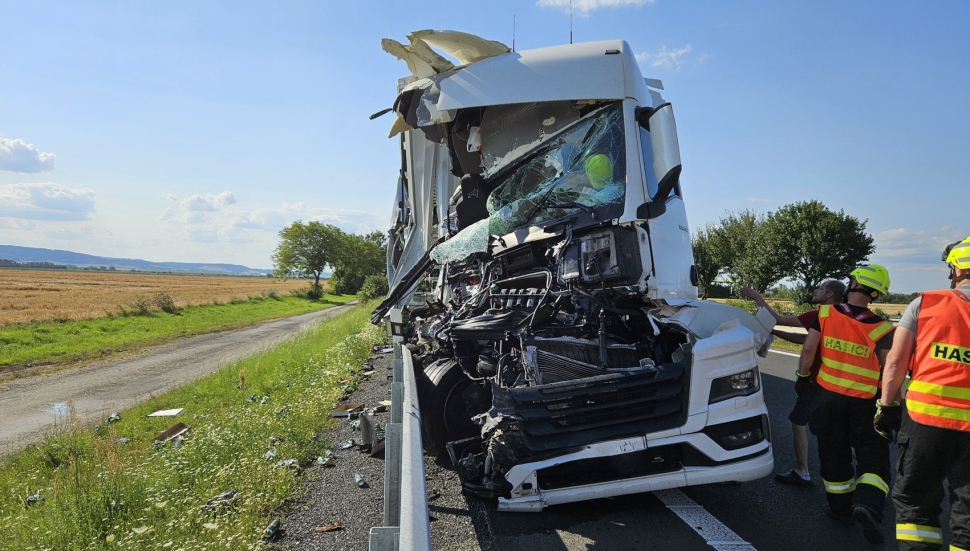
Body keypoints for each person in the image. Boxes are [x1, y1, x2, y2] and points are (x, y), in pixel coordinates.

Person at [877, 236, 970, 550]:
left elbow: (895, 363)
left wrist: (887, 406)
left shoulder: (925, 303)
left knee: (916, 504)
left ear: (955, 268)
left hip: (925, 422)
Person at [798, 265, 895, 544]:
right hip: (864, 403)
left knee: (833, 453)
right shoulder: (883, 328)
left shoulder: (826, 314)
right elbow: (891, 369)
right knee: (872, 455)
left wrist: (803, 377)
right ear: (876, 293)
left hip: (827, 398)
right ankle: (868, 504)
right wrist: (891, 406)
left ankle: (840, 510)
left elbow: (808, 348)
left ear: (853, 285)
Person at [740, 279, 846, 487]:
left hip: (816, 380)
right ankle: (858, 472)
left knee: (799, 422)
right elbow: (805, 340)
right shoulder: (844, 316)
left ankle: (802, 471)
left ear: (830, 295)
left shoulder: (820, 315)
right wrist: (776, 333)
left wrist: (756, 297)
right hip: (840, 381)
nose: (815, 289)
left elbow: (776, 318)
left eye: (820, 288)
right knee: (839, 427)